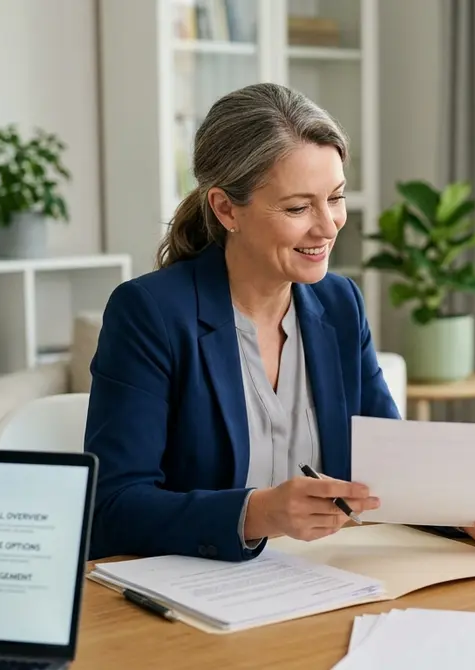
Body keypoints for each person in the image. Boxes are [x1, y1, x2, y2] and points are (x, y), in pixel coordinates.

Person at [84, 83, 396, 561]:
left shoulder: (339, 304)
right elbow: (112, 508)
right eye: (297, 207)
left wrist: (471, 512)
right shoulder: (149, 312)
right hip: (195, 592)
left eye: (334, 198)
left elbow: (392, 464)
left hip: (327, 581)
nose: (328, 225)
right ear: (226, 208)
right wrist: (258, 513)